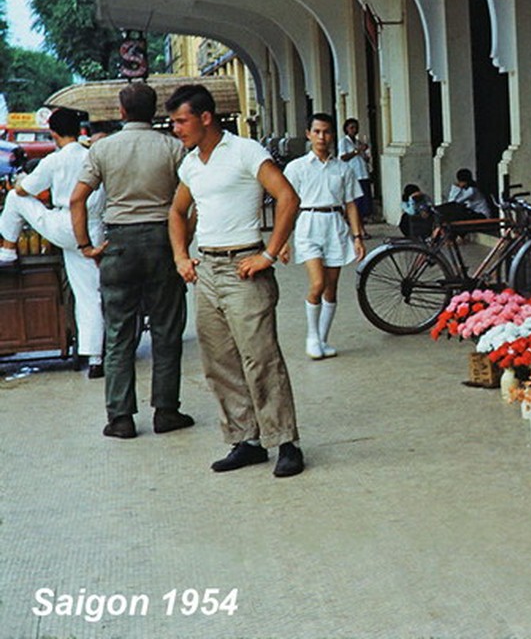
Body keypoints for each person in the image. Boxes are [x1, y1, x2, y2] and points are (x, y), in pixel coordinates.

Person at [165, 83, 305, 477]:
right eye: (173, 122)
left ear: (205, 117)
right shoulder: (191, 163)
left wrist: (268, 254)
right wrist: (180, 256)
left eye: (181, 121)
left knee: (260, 357)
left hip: (245, 265)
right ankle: (246, 440)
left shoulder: (245, 151)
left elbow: (287, 197)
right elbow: (177, 212)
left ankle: (286, 442)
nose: (175, 128)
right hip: (207, 270)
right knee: (219, 361)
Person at [70, 83, 193, 439]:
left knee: (120, 332)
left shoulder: (102, 148)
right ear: (154, 111)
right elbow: (191, 199)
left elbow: (78, 200)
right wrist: (183, 242)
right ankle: (166, 410)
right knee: (167, 329)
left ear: (122, 112)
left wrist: (86, 246)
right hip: (162, 241)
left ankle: (121, 417)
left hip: (118, 243)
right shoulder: (172, 147)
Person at [0, 108, 106, 378]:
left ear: (54, 134)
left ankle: (7, 251)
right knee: (89, 294)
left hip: (64, 224)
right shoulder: (92, 156)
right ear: (80, 131)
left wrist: (20, 182)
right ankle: (95, 357)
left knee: (14, 200)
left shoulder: (53, 161)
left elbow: (25, 191)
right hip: (92, 229)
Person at [281, 112, 366, 359]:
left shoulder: (343, 168)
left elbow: (350, 204)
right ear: (308, 134)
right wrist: (283, 240)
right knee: (317, 284)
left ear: (332, 135)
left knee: (331, 289)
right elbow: (286, 205)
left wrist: (357, 236)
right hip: (308, 224)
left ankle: (322, 339)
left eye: (326, 132)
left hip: (335, 226)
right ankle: (311, 337)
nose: (322, 136)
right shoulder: (296, 168)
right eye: (316, 131)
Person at [338, 117, 372, 232]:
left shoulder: (358, 142)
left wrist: (365, 153)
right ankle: (359, 229)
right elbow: (343, 157)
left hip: (363, 174)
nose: (354, 130)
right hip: (353, 176)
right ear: (346, 129)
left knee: (363, 204)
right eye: (351, 127)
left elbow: (365, 158)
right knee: (356, 204)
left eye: (356, 128)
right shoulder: (344, 142)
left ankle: (360, 227)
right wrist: (356, 151)